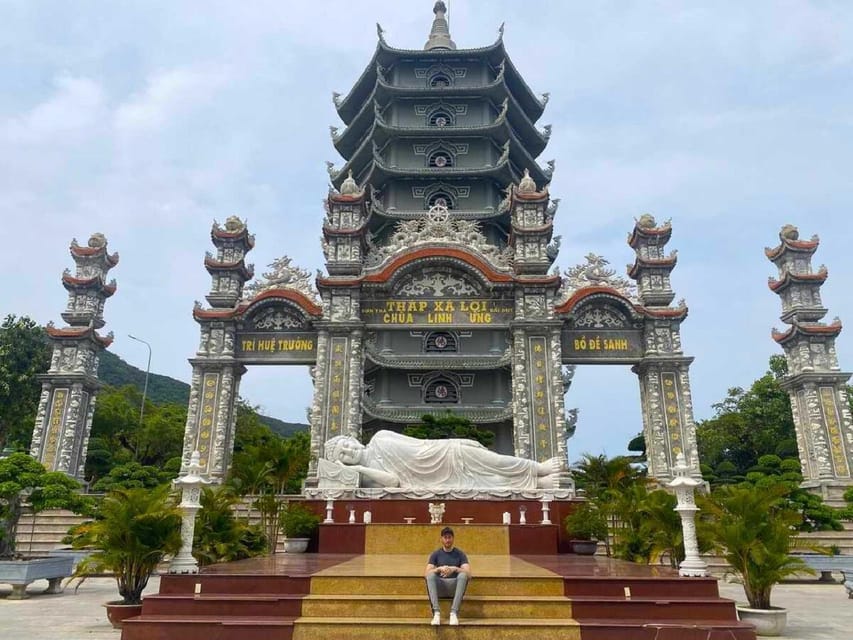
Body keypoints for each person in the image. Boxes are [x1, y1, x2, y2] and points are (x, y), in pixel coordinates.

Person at [323, 429, 565, 490]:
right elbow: (394, 482)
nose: (348, 451)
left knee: (493, 461)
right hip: (429, 478)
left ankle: (537, 468)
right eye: (343, 456)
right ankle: (537, 484)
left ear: (352, 439)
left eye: (345, 445)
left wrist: (448, 444)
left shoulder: (379, 437)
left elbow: (417, 444)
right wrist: (358, 469)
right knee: (482, 483)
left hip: (442, 453)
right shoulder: (367, 476)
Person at [425, 526, 470, 626]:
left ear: (453, 538)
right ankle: (436, 613)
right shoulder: (436, 554)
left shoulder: (460, 554)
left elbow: (468, 574)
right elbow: (426, 573)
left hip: (455, 587)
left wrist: (455, 568)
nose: (447, 540)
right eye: (445, 537)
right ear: (441, 539)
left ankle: (453, 613)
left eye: (449, 537)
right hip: (440, 587)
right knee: (430, 576)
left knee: (463, 575)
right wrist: (439, 569)